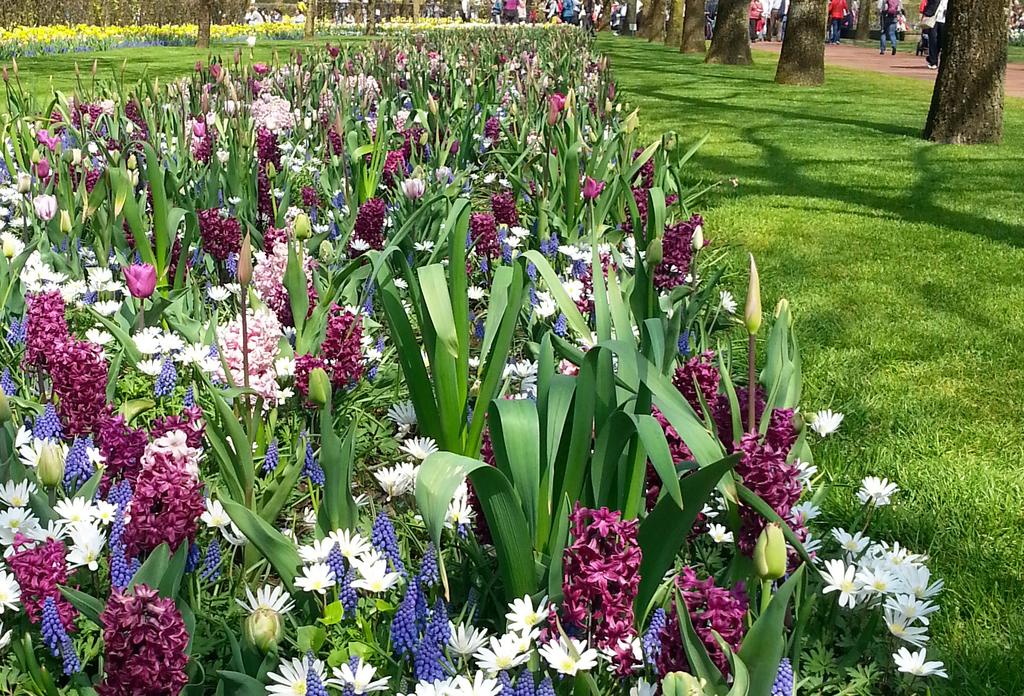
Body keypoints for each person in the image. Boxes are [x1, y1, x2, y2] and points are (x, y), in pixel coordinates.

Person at [921, 0, 947, 68]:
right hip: (933, 18)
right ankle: (933, 62)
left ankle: (932, 58)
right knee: (933, 39)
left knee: (941, 41)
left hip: (944, 19)